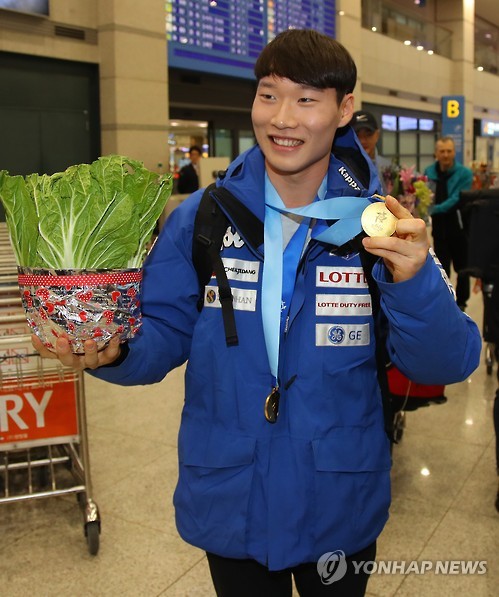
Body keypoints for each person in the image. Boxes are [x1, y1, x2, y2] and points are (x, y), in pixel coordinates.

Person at [33, 29, 481, 596]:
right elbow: (164, 330)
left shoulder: (381, 226)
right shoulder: (205, 217)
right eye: (269, 95)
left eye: (306, 99)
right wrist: (115, 349)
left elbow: (447, 358)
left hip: (338, 493)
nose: (283, 118)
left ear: (344, 110)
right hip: (232, 490)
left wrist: (413, 281)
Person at [424, 137, 473, 310]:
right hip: (439, 229)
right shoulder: (429, 172)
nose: (445, 155)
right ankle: (445, 301)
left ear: (454, 152)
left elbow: (456, 199)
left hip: (458, 227)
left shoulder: (464, 173)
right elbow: (424, 195)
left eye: (449, 151)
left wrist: (432, 210)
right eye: (442, 151)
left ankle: (461, 304)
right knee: (441, 268)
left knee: (463, 269)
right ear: (436, 153)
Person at [350, 110, 392, 193]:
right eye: (357, 135)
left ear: (377, 135)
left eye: (368, 134)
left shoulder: (389, 168)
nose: (363, 141)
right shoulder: (341, 169)